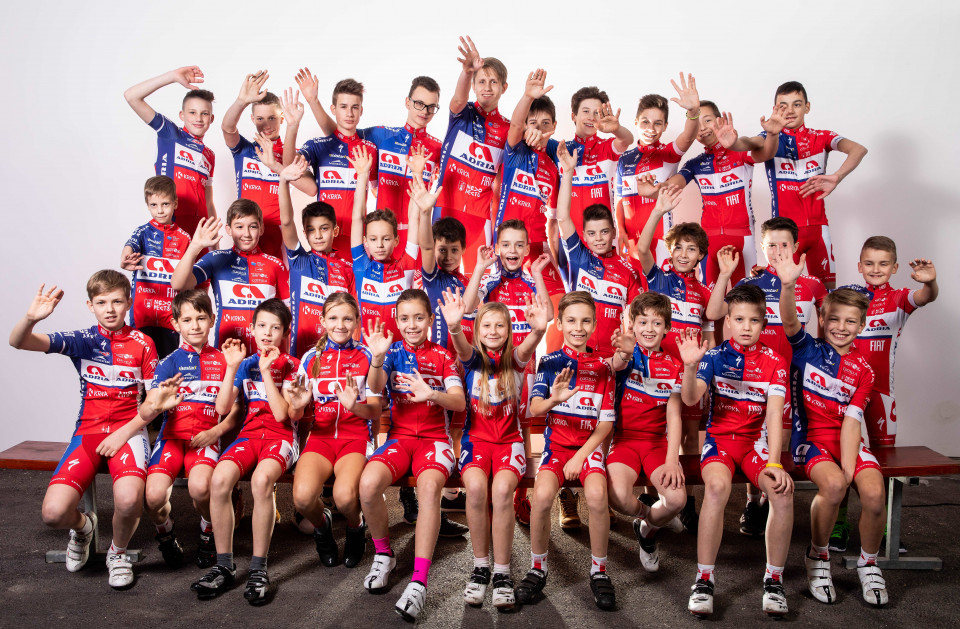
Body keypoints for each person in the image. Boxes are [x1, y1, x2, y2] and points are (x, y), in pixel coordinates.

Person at [9, 270, 159, 589]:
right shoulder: (83, 340)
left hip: (129, 432)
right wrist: (31, 318)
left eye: (117, 301)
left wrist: (123, 433)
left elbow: (155, 403)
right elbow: (18, 342)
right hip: (88, 432)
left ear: (128, 302)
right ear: (90, 306)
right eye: (101, 302)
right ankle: (83, 528)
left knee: (129, 500)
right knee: (53, 513)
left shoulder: (143, 344)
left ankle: (117, 554)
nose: (110, 309)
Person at [769, 248, 889, 607]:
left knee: (874, 493)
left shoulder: (864, 370)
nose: (841, 327)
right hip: (811, 441)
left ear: (862, 326)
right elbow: (789, 320)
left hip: (847, 440)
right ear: (821, 319)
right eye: (834, 319)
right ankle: (818, 557)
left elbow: (852, 421)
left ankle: (869, 563)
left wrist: (851, 467)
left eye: (850, 322)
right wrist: (787, 285)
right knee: (834, 485)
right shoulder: (807, 348)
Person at [677, 285, 793, 618]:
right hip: (720, 441)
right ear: (727, 321)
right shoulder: (713, 356)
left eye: (753, 320)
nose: (746, 326)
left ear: (763, 323)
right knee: (716, 488)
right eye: (739, 319)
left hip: (755, 443)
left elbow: (774, 414)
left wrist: (775, 463)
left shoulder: (775, 361)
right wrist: (689, 367)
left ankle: (774, 581)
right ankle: (703, 580)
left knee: (781, 493)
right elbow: (690, 398)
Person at [358, 290, 466, 622]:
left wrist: (432, 393)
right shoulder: (390, 353)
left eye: (419, 317)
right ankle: (384, 555)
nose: (412, 324)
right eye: (404, 318)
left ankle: (419, 582)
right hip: (400, 439)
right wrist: (377, 359)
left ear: (431, 320)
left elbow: (459, 402)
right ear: (397, 321)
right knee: (367, 486)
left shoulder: (444, 356)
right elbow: (374, 387)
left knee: (429, 489)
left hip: (435, 440)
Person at [438, 289, 550, 610]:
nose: (493, 331)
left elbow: (529, 345)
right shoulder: (472, 359)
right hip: (476, 441)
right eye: (486, 325)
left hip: (509, 443)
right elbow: (461, 346)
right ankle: (480, 567)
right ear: (478, 330)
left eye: (500, 325)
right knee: (475, 489)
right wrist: (455, 327)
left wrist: (539, 331)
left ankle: (502, 572)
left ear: (509, 330)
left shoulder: (515, 360)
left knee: (501, 492)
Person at [828, 238, 938, 551]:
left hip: (880, 394)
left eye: (883, 263)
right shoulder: (848, 296)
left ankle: (885, 527)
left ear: (895, 267)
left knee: (883, 461)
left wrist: (930, 283)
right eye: (869, 263)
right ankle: (838, 525)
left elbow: (926, 296)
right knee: (841, 455)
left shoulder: (899, 298)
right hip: (843, 391)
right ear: (859, 265)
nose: (876, 269)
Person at [636, 185, 733, 531]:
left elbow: (716, 312)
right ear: (670, 249)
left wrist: (724, 274)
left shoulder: (702, 289)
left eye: (691, 249)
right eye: (678, 246)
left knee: (691, 434)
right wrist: (658, 210)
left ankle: (687, 501)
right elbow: (642, 248)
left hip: (687, 372)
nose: (683, 253)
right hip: (653, 369)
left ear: (700, 256)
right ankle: (653, 497)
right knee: (654, 432)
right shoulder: (658, 278)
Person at [517, 291, 618, 611]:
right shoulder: (549, 362)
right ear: (559, 324)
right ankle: (538, 568)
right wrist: (554, 399)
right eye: (571, 320)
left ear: (595, 325)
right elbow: (535, 408)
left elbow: (606, 424)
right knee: (541, 498)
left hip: (588, 449)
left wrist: (580, 456)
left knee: (598, 497)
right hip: (556, 448)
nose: (578, 327)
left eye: (586, 321)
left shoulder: (604, 368)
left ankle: (599, 571)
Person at [194, 299, 299, 605]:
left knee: (261, 481)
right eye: (262, 326)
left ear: (286, 333)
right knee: (219, 480)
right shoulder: (245, 363)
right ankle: (224, 565)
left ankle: (258, 569)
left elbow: (282, 415)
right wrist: (231, 367)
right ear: (251, 329)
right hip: (250, 436)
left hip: (281, 438)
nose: (267, 333)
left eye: (275, 328)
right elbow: (223, 408)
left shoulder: (293, 366)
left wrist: (266, 372)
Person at [715, 81, 868, 289]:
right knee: (781, 293)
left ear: (807, 107)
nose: (790, 111)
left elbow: (858, 149)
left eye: (797, 104)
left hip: (818, 230)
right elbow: (749, 143)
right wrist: (733, 143)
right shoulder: (769, 137)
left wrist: (837, 176)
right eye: (783, 106)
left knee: (828, 296)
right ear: (775, 109)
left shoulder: (821, 137)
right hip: (783, 232)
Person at [735, 217, 826, 536]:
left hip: (794, 374)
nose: (777, 251)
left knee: (782, 439)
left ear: (796, 246)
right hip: (755, 373)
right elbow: (735, 326)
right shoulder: (751, 282)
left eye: (784, 244)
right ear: (762, 247)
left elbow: (827, 330)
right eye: (770, 245)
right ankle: (752, 502)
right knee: (752, 437)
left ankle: (770, 499)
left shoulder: (813, 284)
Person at [634, 100, 787, 288]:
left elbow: (766, 153)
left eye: (707, 120)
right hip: (709, 241)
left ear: (719, 120)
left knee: (746, 297)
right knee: (710, 302)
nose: (703, 128)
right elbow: (671, 186)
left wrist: (772, 134)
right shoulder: (695, 164)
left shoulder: (740, 152)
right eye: (697, 125)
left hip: (743, 237)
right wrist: (653, 191)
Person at [283, 293, 381, 569]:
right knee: (302, 498)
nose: (340, 325)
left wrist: (354, 406)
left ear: (357, 322)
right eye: (333, 318)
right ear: (322, 321)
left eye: (347, 319)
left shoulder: (367, 355)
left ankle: (356, 526)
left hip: (356, 438)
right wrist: (297, 406)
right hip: (321, 438)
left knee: (345, 498)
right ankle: (322, 527)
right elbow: (294, 414)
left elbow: (375, 410)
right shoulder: (310, 358)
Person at [139, 290, 232, 569]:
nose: (195, 326)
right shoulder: (168, 362)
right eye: (187, 320)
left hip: (206, 438)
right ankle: (166, 533)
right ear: (176, 324)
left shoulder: (225, 360)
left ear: (212, 319)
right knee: (153, 497)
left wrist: (216, 432)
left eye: (201, 318)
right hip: (171, 438)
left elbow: (236, 410)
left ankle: (207, 530)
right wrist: (157, 403)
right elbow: (147, 408)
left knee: (201, 489)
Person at [606, 293, 686, 572]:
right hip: (623, 441)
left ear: (667, 328)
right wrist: (625, 352)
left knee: (677, 500)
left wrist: (672, 460)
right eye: (642, 322)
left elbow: (674, 415)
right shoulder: (627, 353)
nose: (649, 329)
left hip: (655, 444)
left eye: (657, 323)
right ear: (633, 324)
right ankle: (648, 514)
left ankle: (647, 531)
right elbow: (616, 364)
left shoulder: (675, 365)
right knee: (617, 496)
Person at [556, 140, 644, 358]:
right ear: (584, 235)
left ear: (613, 232)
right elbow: (563, 217)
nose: (598, 239)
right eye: (592, 233)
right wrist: (568, 172)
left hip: (612, 357)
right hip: (577, 353)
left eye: (604, 232)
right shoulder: (579, 255)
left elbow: (639, 319)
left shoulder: (629, 270)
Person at [170, 201, 289, 354]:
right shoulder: (216, 258)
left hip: (266, 355)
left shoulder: (276, 265)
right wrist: (194, 247)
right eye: (239, 227)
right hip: (227, 353)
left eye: (252, 227)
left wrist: (285, 357)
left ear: (261, 229)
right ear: (229, 229)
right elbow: (177, 284)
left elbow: (287, 317)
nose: (246, 234)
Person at [434, 35, 509, 274]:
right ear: (474, 85)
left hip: (479, 216)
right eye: (481, 81)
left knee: (479, 278)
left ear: (503, 88)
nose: (487, 87)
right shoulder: (461, 112)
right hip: (445, 207)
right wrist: (467, 72)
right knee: (436, 273)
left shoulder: (508, 128)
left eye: (493, 82)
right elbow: (459, 97)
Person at [221, 71, 311, 260]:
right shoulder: (244, 149)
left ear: (282, 118)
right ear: (252, 119)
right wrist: (241, 101)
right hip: (246, 230)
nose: (266, 125)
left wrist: (275, 165)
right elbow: (227, 128)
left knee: (277, 278)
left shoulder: (290, 153)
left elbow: (311, 189)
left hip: (278, 232)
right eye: (260, 119)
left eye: (272, 118)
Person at [615, 74, 701, 264]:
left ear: (665, 126)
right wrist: (620, 230)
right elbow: (619, 201)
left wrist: (693, 112)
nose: (651, 129)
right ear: (636, 122)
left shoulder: (669, 153)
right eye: (645, 122)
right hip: (630, 241)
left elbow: (688, 137)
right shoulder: (624, 160)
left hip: (662, 241)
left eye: (657, 123)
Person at [277, 155, 355, 359]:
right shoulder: (299, 260)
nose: (318, 235)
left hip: (338, 358)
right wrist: (283, 181)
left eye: (324, 228)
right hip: (300, 355)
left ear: (335, 231)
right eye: (311, 230)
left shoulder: (348, 269)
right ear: (304, 233)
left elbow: (355, 318)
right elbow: (286, 222)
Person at [289, 78, 379, 254]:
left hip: (357, 239)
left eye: (355, 107)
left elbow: (377, 191)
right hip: (325, 238)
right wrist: (292, 126)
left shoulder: (370, 149)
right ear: (333, 109)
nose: (349, 113)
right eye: (343, 107)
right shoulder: (317, 145)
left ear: (361, 110)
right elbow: (291, 164)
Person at [124, 66, 216, 236]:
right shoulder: (170, 134)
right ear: (182, 115)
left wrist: (214, 239)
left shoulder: (210, 155)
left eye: (204, 113)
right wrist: (172, 76)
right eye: (192, 112)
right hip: (172, 230)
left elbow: (209, 202)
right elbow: (132, 96)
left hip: (200, 233)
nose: (198, 118)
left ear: (211, 118)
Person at [498, 69, 564, 299]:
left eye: (546, 123)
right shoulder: (515, 151)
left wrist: (554, 258)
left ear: (554, 126)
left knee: (559, 303)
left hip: (537, 245)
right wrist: (527, 96)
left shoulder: (553, 166)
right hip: (508, 244)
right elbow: (515, 126)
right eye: (534, 123)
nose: (540, 129)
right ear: (526, 125)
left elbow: (553, 221)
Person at [349, 146, 421, 340]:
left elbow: (414, 219)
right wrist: (362, 175)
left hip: (399, 350)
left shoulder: (406, 266)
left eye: (386, 238)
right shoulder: (361, 264)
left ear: (396, 240)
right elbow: (357, 218)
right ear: (365, 241)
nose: (379, 245)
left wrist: (417, 174)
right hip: (368, 350)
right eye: (373, 239)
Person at [120, 175, 194, 358]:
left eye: (165, 204)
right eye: (154, 205)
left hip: (170, 316)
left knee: (166, 366)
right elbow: (129, 246)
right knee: (140, 363)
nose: (160, 210)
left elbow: (188, 277)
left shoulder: (185, 238)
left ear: (175, 203)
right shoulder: (142, 232)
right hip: (142, 314)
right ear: (148, 205)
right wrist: (125, 258)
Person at [562, 86, 634, 236]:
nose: (591, 117)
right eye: (586, 111)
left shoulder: (607, 147)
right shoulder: (561, 150)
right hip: (569, 238)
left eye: (596, 113)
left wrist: (616, 128)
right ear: (573, 116)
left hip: (603, 239)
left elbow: (627, 139)